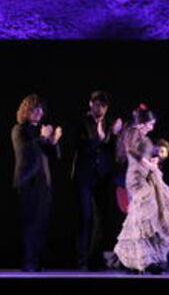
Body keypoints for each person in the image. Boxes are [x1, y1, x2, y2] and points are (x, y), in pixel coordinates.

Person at [113, 104, 169, 273]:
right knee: (143, 216)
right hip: (136, 179)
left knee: (148, 217)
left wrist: (153, 161)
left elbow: (143, 154)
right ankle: (142, 260)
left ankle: (145, 260)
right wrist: (146, 162)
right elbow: (131, 150)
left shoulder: (143, 136)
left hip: (146, 177)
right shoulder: (133, 131)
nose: (152, 127)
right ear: (144, 122)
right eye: (151, 123)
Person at [71, 90, 123, 270]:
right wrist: (102, 137)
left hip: (103, 177)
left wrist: (115, 134)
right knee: (86, 217)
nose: (99, 107)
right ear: (90, 104)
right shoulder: (82, 123)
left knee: (103, 219)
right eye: (96, 104)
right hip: (85, 177)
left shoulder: (110, 124)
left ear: (107, 108)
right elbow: (82, 147)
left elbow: (115, 152)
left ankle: (95, 258)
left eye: (102, 105)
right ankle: (82, 260)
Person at [11, 94, 62, 271]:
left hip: (43, 183)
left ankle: (38, 261)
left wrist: (54, 141)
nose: (39, 112)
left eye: (40, 109)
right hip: (26, 182)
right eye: (35, 109)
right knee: (29, 223)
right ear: (26, 111)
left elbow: (54, 155)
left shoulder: (42, 129)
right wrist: (42, 138)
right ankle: (28, 261)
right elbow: (24, 151)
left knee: (41, 222)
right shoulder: (19, 130)